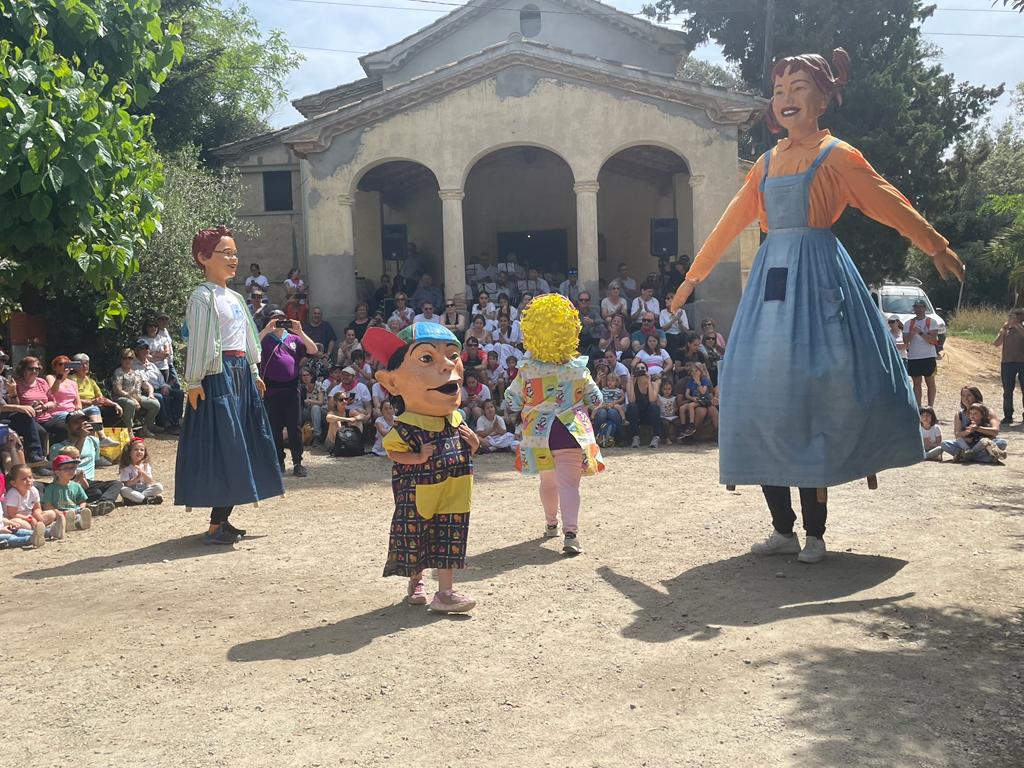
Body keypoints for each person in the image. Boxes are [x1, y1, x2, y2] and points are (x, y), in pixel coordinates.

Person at [669, 48, 963, 564]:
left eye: (799, 88)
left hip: (820, 280)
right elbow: (728, 224)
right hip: (770, 286)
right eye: (780, 90)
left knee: (814, 395)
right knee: (758, 394)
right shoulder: (765, 164)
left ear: (823, 98)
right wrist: (692, 277)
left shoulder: (838, 156)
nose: (786, 99)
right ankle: (781, 528)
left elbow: (887, 200)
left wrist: (934, 244)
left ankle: (815, 532)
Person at [176, 225, 284, 545]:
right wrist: (193, 380)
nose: (233, 258)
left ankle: (220, 522)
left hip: (240, 374)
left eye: (235, 253)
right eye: (226, 253)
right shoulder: (201, 297)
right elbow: (198, 342)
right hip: (216, 375)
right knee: (228, 447)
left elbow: (247, 339)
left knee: (245, 445)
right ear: (203, 258)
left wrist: (253, 371)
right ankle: (215, 525)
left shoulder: (235, 297)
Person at [362, 321, 480, 613]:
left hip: (455, 493)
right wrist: (416, 458)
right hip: (418, 496)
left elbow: (468, 447)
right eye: (427, 358)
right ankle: (416, 581)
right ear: (392, 382)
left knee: (449, 537)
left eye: (453, 355)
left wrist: (474, 443)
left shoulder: (456, 419)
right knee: (417, 535)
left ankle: (446, 592)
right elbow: (393, 451)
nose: (446, 366)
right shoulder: (407, 425)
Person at [504, 294, 604, 555]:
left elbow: (512, 401)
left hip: (539, 436)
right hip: (570, 433)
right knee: (569, 485)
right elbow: (597, 399)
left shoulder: (527, 370)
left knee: (547, 482)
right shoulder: (578, 369)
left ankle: (551, 525)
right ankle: (571, 534)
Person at [260, 310, 318, 477]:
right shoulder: (265, 339)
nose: (280, 321)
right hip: (272, 390)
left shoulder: (293, 338)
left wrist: (299, 331)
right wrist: (266, 330)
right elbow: (251, 346)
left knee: (295, 428)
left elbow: (312, 349)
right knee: (275, 428)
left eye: (282, 319)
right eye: (276, 319)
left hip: (292, 389)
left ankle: (298, 462)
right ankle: (279, 462)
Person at [48, 411, 122, 515]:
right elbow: (69, 464)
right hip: (67, 482)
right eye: (76, 422)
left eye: (84, 422)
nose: (81, 425)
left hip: (87, 482)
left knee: (116, 484)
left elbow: (95, 461)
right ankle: (85, 504)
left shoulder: (93, 441)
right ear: (67, 426)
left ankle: (103, 503)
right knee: (96, 493)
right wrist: (82, 438)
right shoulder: (57, 447)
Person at [71, 353, 123, 443]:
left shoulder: (91, 381)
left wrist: (115, 404)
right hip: (77, 408)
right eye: (81, 364)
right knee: (94, 409)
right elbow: (73, 399)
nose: (85, 366)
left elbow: (101, 398)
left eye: (87, 363)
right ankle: (102, 438)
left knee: (112, 410)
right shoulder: (72, 380)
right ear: (75, 366)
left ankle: (97, 441)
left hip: (92, 407)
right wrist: (91, 402)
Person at [133, 340, 183, 433]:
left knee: (179, 393)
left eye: (147, 348)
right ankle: (165, 424)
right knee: (160, 397)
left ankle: (176, 421)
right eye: (142, 349)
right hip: (146, 391)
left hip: (159, 388)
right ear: (136, 351)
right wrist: (154, 390)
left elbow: (161, 379)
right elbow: (143, 384)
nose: (146, 351)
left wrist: (165, 386)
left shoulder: (152, 365)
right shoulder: (134, 366)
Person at [111, 348, 161, 436]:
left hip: (137, 396)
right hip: (122, 397)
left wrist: (150, 393)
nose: (127, 360)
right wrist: (132, 399)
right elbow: (117, 390)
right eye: (125, 358)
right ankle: (129, 431)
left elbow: (147, 385)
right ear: (121, 360)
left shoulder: (137, 372)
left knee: (155, 404)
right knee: (130, 403)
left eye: (130, 358)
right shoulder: (119, 372)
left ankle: (145, 428)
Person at [904, 299, 941, 407]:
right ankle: (918, 407)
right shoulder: (908, 323)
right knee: (916, 384)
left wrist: (920, 332)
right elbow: (906, 341)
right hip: (914, 357)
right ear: (914, 308)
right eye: (916, 307)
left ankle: (930, 407)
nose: (919, 309)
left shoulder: (931, 322)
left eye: (921, 307)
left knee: (930, 382)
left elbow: (932, 340)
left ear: (925, 308)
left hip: (928, 356)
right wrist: (912, 332)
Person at [41, 454, 91, 533]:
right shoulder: (51, 488)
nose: (71, 471)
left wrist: (81, 508)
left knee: (78, 515)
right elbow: (47, 506)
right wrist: (59, 513)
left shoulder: (76, 486)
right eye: (66, 469)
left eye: (73, 468)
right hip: (59, 513)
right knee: (58, 519)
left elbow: (82, 501)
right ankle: (70, 523)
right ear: (57, 472)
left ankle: (79, 522)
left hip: (73, 511)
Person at [943, 403, 1007, 463]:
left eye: (975, 413)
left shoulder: (985, 425)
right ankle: (984, 458)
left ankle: (965, 457)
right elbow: (958, 435)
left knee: (1001, 442)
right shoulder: (969, 425)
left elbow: (992, 437)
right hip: (968, 447)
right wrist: (967, 434)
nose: (972, 416)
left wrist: (978, 429)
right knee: (945, 443)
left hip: (981, 448)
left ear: (982, 415)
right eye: (971, 413)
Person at [3, 464, 47, 548]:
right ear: (14, 483)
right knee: (20, 523)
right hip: (18, 519)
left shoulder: (33, 490)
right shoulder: (13, 495)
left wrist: (37, 514)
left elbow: (37, 508)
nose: (29, 480)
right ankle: (42, 531)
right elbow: (12, 515)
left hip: (31, 517)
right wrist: (29, 519)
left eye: (30, 477)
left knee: (51, 514)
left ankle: (38, 528)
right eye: (24, 479)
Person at [994, 307, 1024, 424]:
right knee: (1007, 390)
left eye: (1018, 315)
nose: (1014, 318)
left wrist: (1017, 326)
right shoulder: (1005, 329)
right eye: (1012, 316)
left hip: (1022, 362)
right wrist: (1003, 331)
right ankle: (1008, 415)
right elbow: (996, 343)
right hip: (1007, 363)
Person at [118, 438, 164, 504]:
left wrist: (142, 472)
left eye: (142, 450)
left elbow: (150, 481)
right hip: (132, 491)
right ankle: (147, 499)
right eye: (136, 450)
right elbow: (127, 484)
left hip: (145, 490)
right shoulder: (126, 467)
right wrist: (138, 478)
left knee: (159, 487)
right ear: (129, 452)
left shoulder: (145, 465)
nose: (139, 451)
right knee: (123, 490)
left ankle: (136, 499)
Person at [592, 371, 626, 447]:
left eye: (612, 381)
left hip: (614, 407)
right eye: (608, 381)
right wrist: (597, 382)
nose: (610, 382)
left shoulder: (618, 390)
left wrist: (614, 403)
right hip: (604, 405)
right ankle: (596, 435)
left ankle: (620, 435)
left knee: (612, 412)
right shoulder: (604, 389)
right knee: (601, 413)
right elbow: (597, 393)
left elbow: (622, 398)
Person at [300, 367, 325, 444]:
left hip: (321, 411)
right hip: (306, 411)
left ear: (311, 376)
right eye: (303, 375)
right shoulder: (300, 387)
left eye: (307, 375)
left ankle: (317, 436)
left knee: (315, 408)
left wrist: (310, 401)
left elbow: (321, 402)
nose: (305, 377)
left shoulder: (318, 385)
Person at [657, 377, 680, 444]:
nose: (667, 391)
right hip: (663, 416)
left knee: (678, 422)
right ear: (661, 389)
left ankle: (678, 437)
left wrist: (675, 409)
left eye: (669, 389)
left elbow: (675, 407)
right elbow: (658, 405)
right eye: (665, 389)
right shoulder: (660, 398)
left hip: (672, 416)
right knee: (665, 424)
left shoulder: (673, 398)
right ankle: (667, 438)